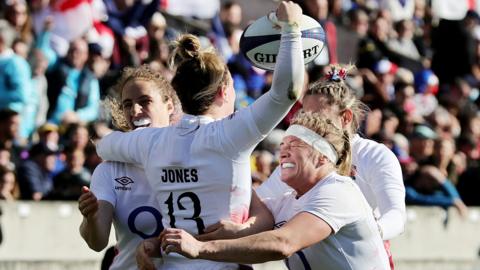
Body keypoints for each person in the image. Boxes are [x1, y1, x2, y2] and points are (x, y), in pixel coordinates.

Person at [96, 2, 305, 269]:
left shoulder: (149, 142)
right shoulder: (230, 134)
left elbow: (105, 145)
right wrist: (292, 28)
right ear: (224, 92)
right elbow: (287, 91)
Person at [200, 66, 405, 269]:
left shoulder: (373, 157)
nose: (307, 124)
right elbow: (262, 204)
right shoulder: (298, 167)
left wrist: (367, 230)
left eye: (318, 118)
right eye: (305, 116)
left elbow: (396, 215)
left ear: (346, 118)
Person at [157, 112, 390, 270]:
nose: (284, 152)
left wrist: (199, 248)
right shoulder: (287, 202)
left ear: (322, 157)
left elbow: (282, 243)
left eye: (295, 145)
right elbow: (245, 224)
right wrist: (163, 244)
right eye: (282, 146)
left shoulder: (339, 191)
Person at [78, 64, 181, 269]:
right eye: (127, 104)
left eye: (145, 101)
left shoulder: (191, 156)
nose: (135, 111)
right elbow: (97, 242)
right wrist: (90, 217)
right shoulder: (109, 169)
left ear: (169, 106)